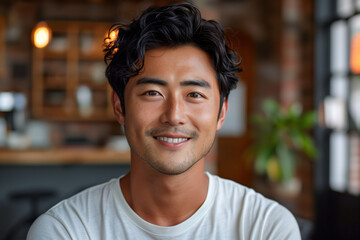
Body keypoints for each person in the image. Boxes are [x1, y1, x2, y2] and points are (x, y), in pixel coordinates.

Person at [27, 3, 301, 240]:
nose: (174, 115)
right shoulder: (66, 230)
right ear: (119, 106)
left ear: (221, 113)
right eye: (152, 93)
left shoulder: (265, 227)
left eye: (194, 94)